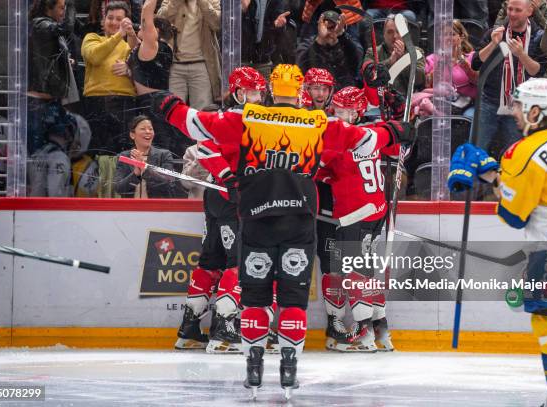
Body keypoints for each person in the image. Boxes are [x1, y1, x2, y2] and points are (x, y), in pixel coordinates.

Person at [153, 63, 412, 398]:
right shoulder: (317, 122)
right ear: (300, 90)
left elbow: (193, 124)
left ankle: (254, 365)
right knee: (292, 299)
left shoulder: (246, 119)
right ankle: (289, 367)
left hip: (257, 220)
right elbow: (364, 139)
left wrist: (167, 104)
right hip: (299, 223)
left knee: (256, 299)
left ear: (273, 90)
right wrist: (395, 130)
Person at [449, 78, 547, 406]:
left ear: (537, 111)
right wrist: (495, 174)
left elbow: (513, 215)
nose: (514, 112)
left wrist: (489, 177)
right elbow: (539, 187)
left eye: (520, 106)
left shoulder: (524, 151)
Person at [174, 67, 268, 354]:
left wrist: (225, 177)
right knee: (238, 261)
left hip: (218, 197)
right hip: (230, 200)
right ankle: (225, 331)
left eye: (260, 93)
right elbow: (204, 149)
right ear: (239, 93)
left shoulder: (227, 119)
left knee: (210, 263)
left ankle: (189, 330)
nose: (259, 98)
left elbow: (206, 148)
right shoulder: (231, 119)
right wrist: (229, 177)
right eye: (253, 92)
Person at [318, 86, 397, 352]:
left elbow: (315, 167)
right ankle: (381, 331)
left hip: (354, 214)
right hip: (377, 209)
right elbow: (397, 145)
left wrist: (325, 174)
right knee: (367, 271)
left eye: (346, 111)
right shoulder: (372, 134)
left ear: (359, 112)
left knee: (353, 272)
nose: (340, 115)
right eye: (337, 110)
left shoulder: (342, 140)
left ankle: (364, 335)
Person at [471, 0, 547, 158]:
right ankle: (472, 182)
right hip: (489, 101)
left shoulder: (538, 36)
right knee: (475, 151)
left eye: (517, 10)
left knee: (515, 154)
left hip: (520, 107)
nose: (512, 14)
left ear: (530, 11)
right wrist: (493, 44)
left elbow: (537, 71)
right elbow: (476, 63)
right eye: (510, 9)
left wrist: (521, 55)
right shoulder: (497, 32)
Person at [128, 0, 190, 161]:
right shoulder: (150, 47)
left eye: (146, 26)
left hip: (153, 103)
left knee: (159, 148)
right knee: (158, 147)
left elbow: (146, 11)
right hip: (153, 101)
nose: (141, 27)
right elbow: (135, 55)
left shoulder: (153, 44)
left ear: (155, 30)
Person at [81, 1, 138, 155]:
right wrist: (120, 34)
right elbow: (94, 57)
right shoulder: (91, 38)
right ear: (102, 21)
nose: (114, 23)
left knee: (124, 152)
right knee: (98, 152)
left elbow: (143, 66)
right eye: (110, 18)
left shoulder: (128, 46)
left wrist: (129, 70)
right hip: (96, 101)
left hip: (124, 103)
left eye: (119, 20)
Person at [28, 0, 78, 155]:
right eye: (61, 8)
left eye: (65, 8)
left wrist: (67, 62)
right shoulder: (39, 24)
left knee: (56, 152)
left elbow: (51, 56)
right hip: (38, 102)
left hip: (53, 100)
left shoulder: (49, 27)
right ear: (49, 7)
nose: (64, 12)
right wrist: (71, 4)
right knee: (37, 154)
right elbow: (66, 28)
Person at [157, 0, 222, 109]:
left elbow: (216, 24)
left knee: (202, 113)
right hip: (174, 65)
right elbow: (161, 22)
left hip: (201, 64)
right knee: (172, 111)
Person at [413, 20, 478, 119]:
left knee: (470, 117)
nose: (448, 38)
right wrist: (439, 67)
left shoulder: (472, 57)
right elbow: (426, 85)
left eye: (452, 34)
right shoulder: (432, 59)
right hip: (439, 103)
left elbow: (478, 82)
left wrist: (465, 66)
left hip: (466, 105)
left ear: (461, 37)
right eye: (445, 35)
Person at [114, 115, 179, 198]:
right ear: (132, 135)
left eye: (150, 129)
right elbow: (118, 188)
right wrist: (136, 174)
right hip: (131, 209)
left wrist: (145, 169)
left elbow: (169, 184)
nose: (148, 131)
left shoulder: (164, 155)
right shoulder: (124, 157)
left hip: (156, 209)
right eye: (143, 129)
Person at [297, 11, 363, 90]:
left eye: (332, 27)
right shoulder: (309, 43)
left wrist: (341, 36)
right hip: (318, 93)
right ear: (319, 26)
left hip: (343, 93)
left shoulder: (347, 42)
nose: (328, 32)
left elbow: (357, 61)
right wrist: (319, 41)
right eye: (325, 27)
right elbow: (301, 67)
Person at [363, 14, 425, 96]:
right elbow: (368, 76)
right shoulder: (372, 52)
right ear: (384, 34)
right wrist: (389, 62)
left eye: (399, 31)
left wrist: (402, 60)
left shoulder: (417, 52)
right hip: (381, 100)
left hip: (408, 102)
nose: (395, 36)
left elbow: (420, 80)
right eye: (390, 32)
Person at [28, 105, 76, 197]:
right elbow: (55, 194)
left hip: (34, 209)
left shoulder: (37, 154)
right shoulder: (60, 157)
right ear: (65, 131)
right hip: (49, 210)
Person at [241, 0, 289, 78]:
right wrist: (242, 10)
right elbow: (226, 24)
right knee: (240, 88)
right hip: (240, 58)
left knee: (263, 88)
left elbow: (280, 25)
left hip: (264, 58)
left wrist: (277, 25)